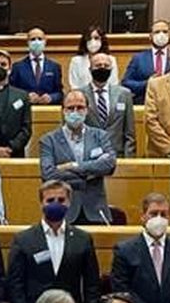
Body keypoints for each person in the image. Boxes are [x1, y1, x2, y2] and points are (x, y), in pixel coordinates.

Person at [5, 181, 100, 303]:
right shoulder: (23, 239)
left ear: (69, 202)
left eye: (61, 200)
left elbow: (92, 284)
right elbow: (15, 285)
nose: (56, 204)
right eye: (50, 200)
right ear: (41, 203)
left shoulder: (83, 239)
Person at [109, 192, 170, 303]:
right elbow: (122, 288)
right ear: (143, 216)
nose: (158, 219)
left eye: (163, 214)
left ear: (169, 218)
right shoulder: (124, 250)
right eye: (154, 214)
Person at [38, 91, 117, 225]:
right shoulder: (48, 140)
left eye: (80, 107)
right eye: (70, 108)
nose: (75, 112)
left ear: (87, 110)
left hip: (95, 211)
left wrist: (73, 167)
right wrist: (90, 173)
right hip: (63, 212)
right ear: (63, 111)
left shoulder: (100, 136)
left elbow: (109, 165)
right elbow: (48, 173)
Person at [84, 49, 135, 156]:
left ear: (111, 69)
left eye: (106, 66)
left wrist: (128, 159)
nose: (102, 68)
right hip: (88, 156)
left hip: (116, 155)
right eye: (98, 65)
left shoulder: (124, 94)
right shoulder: (80, 94)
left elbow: (129, 132)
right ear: (90, 69)